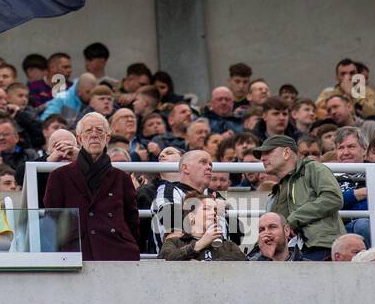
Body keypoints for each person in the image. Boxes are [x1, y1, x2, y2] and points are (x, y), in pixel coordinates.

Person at [42, 111, 140, 261]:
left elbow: (132, 221)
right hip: (76, 253)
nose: (94, 135)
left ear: (107, 138)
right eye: (88, 131)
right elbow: (52, 218)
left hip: (118, 252)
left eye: (99, 130)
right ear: (79, 139)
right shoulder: (59, 176)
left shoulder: (122, 178)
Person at [260, 134, 345, 261]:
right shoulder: (278, 189)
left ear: (286, 152)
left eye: (268, 152)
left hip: (320, 246)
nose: (262, 158)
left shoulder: (313, 168)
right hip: (290, 252)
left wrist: (294, 220)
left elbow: (333, 198)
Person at [161, 195, 247, 261]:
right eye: (206, 209)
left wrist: (204, 266)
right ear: (191, 216)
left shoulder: (228, 245)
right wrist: (200, 244)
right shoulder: (175, 242)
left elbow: (242, 259)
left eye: (215, 210)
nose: (213, 213)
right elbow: (164, 260)